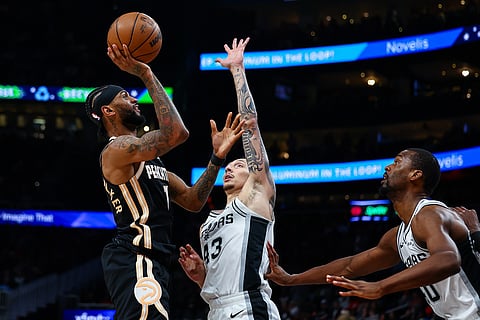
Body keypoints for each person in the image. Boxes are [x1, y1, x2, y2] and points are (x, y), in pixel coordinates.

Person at [85, 42, 245, 320]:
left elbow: (193, 201)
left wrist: (217, 157)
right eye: (124, 96)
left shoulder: (151, 163)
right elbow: (176, 134)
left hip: (153, 260)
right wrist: (145, 73)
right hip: (134, 254)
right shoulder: (116, 151)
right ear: (108, 111)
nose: (134, 100)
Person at [266, 148, 480, 320]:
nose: (388, 166)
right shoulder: (399, 235)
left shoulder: (431, 213)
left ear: (416, 175)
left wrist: (380, 286)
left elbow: (448, 259)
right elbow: (349, 266)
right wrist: (291, 279)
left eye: (397, 162)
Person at [178, 37, 281, 319]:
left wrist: (237, 71)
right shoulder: (206, 224)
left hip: (248, 306)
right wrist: (201, 276)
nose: (230, 168)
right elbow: (221, 278)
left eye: (239, 164)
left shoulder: (255, 196)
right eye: (229, 166)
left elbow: (249, 125)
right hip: (216, 310)